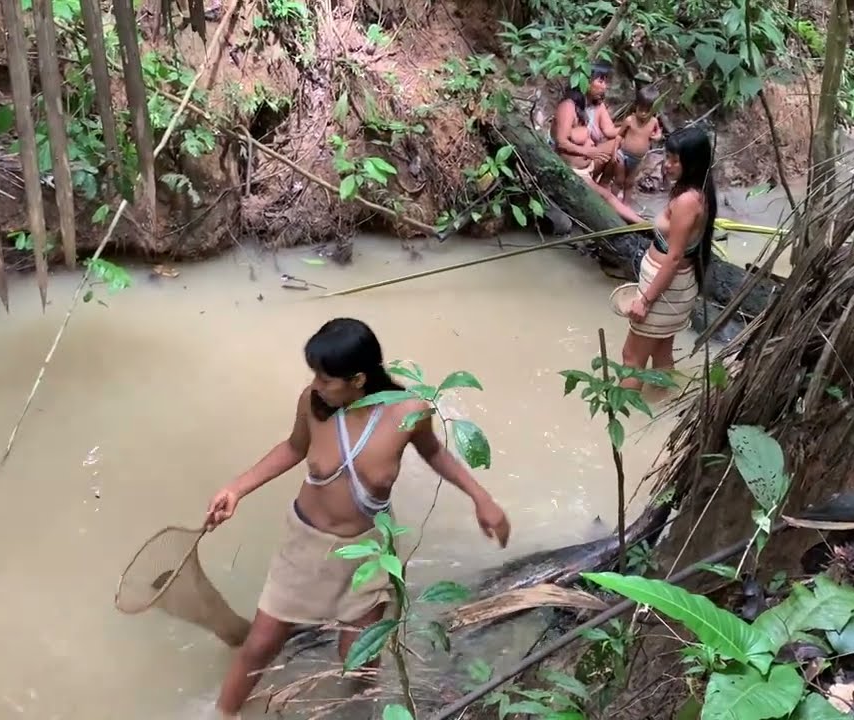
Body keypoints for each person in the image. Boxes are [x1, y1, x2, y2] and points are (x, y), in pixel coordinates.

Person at [203, 317, 512, 717]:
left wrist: (481, 498)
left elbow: (434, 453)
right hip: (305, 544)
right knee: (259, 646)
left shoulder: (408, 412)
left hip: (369, 551)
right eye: (314, 374)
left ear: (359, 379)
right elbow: (293, 448)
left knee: (360, 661)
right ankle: (221, 714)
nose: (316, 384)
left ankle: (354, 713)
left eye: (326, 378)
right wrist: (237, 488)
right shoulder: (314, 405)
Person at [619, 126, 717, 390]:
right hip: (675, 289)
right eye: (668, 157)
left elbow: (673, 258)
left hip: (664, 290)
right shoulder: (697, 192)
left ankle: (621, 411)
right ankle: (662, 403)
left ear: (693, 164)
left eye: (675, 160)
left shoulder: (687, 201)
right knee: (661, 353)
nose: (667, 164)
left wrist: (645, 301)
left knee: (631, 358)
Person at [551, 68, 644, 225]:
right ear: (585, 82)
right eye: (600, 81)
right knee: (606, 197)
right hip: (575, 171)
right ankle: (643, 224)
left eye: (605, 82)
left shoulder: (588, 107)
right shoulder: (567, 106)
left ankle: (605, 186)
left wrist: (632, 128)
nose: (604, 86)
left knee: (619, 143)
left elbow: (610, 132)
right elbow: (561, 142)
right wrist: (587, 152)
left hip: (590, 162)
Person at [611, 87, 663, 202]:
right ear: (636, 106)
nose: (643, 113)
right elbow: (619, 136)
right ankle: (611, 202)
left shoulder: (653, 122)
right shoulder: (630, 120)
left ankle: (626, 205)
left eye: (647, 111)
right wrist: (614, 152)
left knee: (629, 183)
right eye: (641, 109)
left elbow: (659, 133)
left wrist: (656, 137)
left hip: (638, 159)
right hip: (622, 155)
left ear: (653, 110)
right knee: (619, 180)